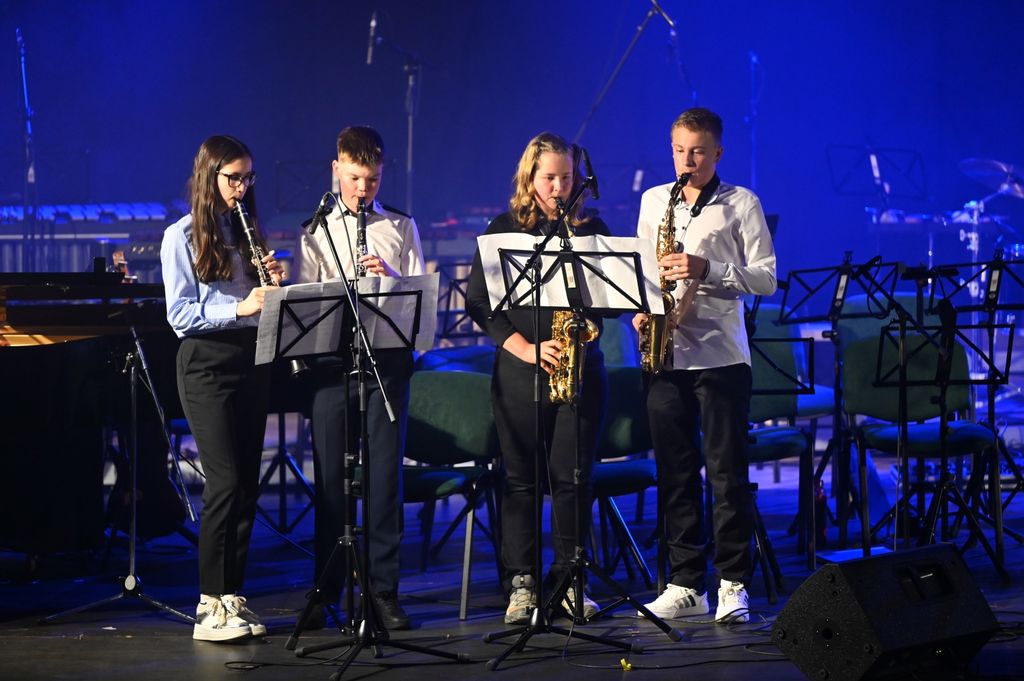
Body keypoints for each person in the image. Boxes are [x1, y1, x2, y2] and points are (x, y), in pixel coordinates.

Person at [634, 108, 776, 624]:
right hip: (666, 354)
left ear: (717, 152)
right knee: (674, 475)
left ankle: (733, 583)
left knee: (725, 475)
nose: (686, 161)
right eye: (678, 151)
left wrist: (707, 268)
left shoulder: (742, 203)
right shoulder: (655, 200)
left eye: (697, 151)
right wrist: (640, 309)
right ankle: (684, 583)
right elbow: (643, 269)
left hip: (721, 357)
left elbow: (766, 278)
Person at [466, 132, 609, 625]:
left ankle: (570, 580)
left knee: (573, 479)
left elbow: (613, 300)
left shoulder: (592, 230)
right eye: (549, 178)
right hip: (520, 369)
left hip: (580, 370)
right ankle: (522, 583)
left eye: (566, 178)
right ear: (529, 177)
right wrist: (526, 348)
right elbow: (479, 302)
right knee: (521, 481)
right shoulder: (503, 229)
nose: (558, 188)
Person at [298, 126, 424, 631]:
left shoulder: (401, 225)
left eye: (371, 179)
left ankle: (383, 591)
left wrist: (389, 277)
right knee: (331, 481)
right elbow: (305, 305)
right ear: (336, 170)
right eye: (353, 178)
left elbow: (419, 303)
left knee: (384, 479)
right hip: (332, 366)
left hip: (386, 363)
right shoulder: (316, 230)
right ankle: (326, 588)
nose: (362, 189)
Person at [161, 134, 285, 642]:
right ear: (209, 176)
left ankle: (232, 595)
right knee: (225, 482)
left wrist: (272, 285)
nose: (242, 187)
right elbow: (179, 315)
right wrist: (241, 306)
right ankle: (207, 603)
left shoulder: (244, 229)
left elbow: (258, 303)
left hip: (250, 361)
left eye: (248, 178)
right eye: (234, 178)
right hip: (205, 366)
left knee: (247, 485)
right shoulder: (180, 236)